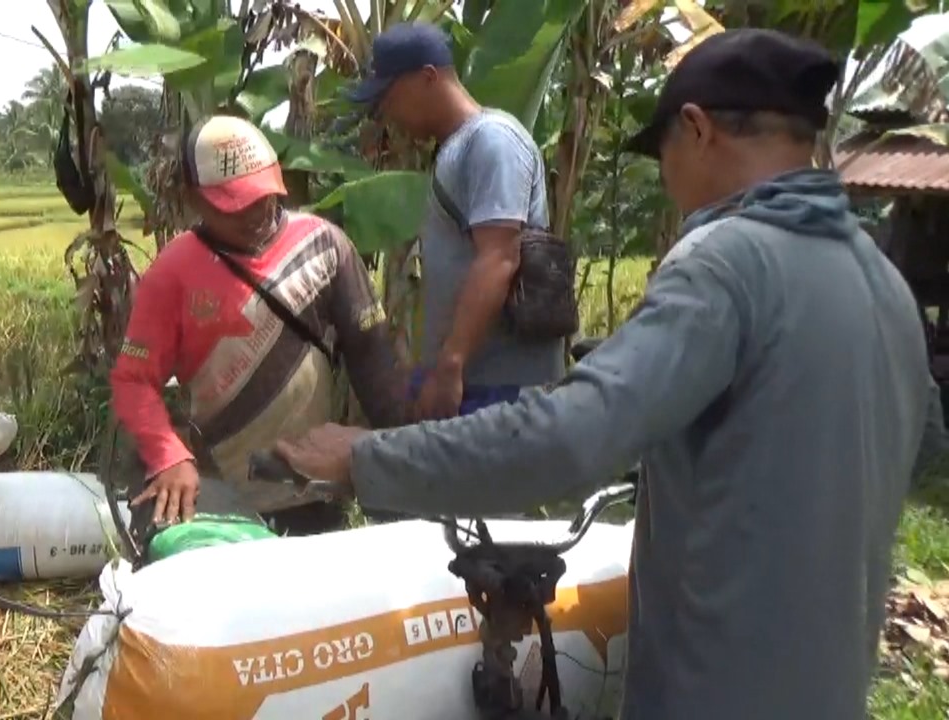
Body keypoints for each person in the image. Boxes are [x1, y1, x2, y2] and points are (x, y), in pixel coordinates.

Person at [274, 29, 948, 720]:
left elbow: (571, 440)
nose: (668, 179)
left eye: (664, 156)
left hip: (714, 693)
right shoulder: (882, 283)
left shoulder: (726, 262)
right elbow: (923, 456)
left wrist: (368, 456)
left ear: (696, 129)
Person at [110, 114, 408, 536]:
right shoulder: (173, 272)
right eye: (234, 205)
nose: (254, 213)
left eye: (261, 197)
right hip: (225, 496)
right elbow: (133, 380)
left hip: (314, 489)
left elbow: (374, 365)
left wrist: (405, 470)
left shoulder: (323, 246)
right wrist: (169, 456)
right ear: (196, 199)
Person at [347, 21, 564, 420]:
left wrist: (451, 364)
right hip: (471, 379)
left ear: (428, 78)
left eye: (390, 97)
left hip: (500, 387)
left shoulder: (492, 140)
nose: (387, 114)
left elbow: (499, 258)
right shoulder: (457, 147)